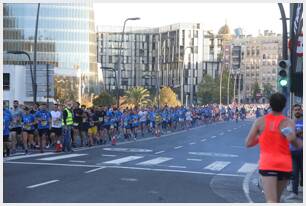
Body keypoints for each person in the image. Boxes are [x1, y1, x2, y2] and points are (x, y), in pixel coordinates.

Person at [245, 93, 302, 203]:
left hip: (268, 164)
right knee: (276, 200)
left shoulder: (260, 122)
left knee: (271, 201)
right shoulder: (288, 122)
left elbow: (248, 143)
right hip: (284, 165)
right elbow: (295, 143)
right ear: (284, 105)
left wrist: (261, 136)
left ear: (270, 105)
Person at [286, 104, 303, 200]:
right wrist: (297, 133)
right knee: (294, 173)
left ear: (301, 111)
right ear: (293, 112)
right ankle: (294, 192)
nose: (297, 111)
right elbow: (288, 136)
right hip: (292, 151)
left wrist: (296, 133)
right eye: (295, 110)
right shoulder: (290, 122)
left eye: (298, 109)